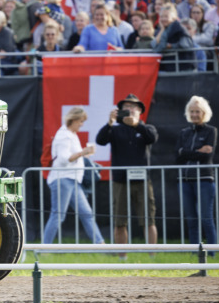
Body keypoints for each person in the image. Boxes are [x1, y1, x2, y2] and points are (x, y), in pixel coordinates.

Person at [95, 94, 159, 256]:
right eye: (126, 107)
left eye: (133, 107)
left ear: (140, 111)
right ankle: (122, 256)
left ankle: (152, 255)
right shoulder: (115, 130)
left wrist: (137, 125)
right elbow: (100, 140)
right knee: (120, 221)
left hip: (142, 180)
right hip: (120, 181)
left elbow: (152, 138)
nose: (129, 110)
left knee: (148, 219)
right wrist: (109, 123)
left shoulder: (146, 128)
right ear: (120, 111)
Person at [43, 107, 104, 244]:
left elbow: (71, 157)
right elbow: (65, 159)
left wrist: (82, 154)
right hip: (63, 179)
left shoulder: (71, 134)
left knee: (86, 213)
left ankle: (100, 244)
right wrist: (83, 152)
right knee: (58, 215)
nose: (82, 124)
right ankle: (43, 248)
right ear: (74, 120)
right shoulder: (64, 135)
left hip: (72, 180)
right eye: (81, 121)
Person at [176, 96, 218, 252]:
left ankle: (212, 252)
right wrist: (196, 151)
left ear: (204, 113)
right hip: (185, 180)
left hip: (204, 180)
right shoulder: (184, 132)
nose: (194, 114)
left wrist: (186, 152)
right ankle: (195, 252)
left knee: (207, 218)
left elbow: (207, 155)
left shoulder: (211, 131)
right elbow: (178, 156)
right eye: (191, 111)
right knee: (191, 219)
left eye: (197, 111)